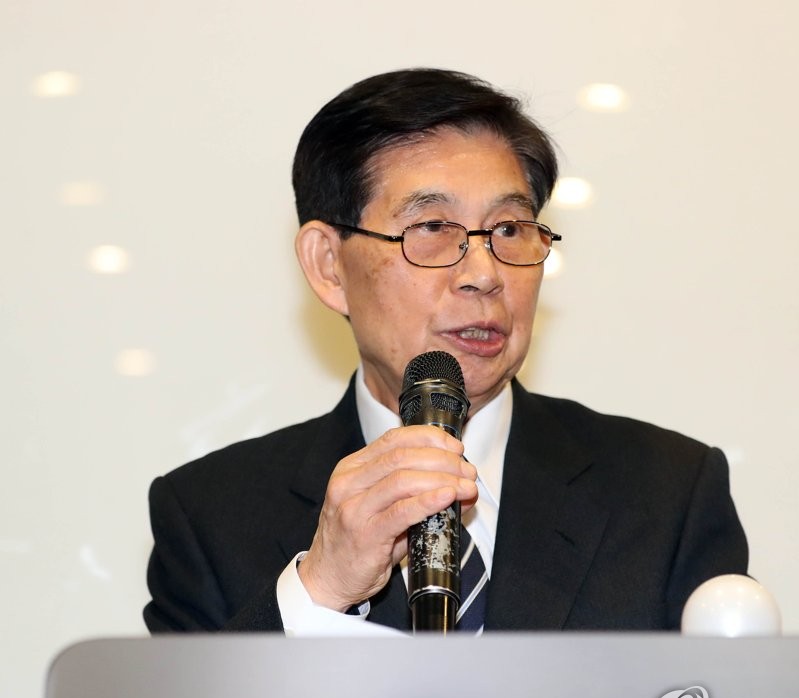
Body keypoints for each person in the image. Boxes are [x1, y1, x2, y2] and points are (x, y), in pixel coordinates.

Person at [143, 68, 748, 634]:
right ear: (329, 266)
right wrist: (320, 590)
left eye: (509, 230)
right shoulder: (208, 516)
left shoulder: (668, 493)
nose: (484, 274)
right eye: (432, 229)